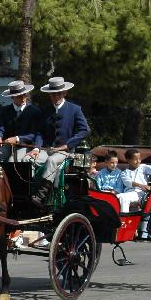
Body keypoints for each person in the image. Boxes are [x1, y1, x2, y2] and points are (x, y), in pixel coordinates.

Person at [30, 77, 91, 210]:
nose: (55, 96)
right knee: (30, 160)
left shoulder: (75, 109)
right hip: (46, 148)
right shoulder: (45, 110)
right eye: (52, 94)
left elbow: (85, 130)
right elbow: (40, 132)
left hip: (65, 151)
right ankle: (28, 191)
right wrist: (36, 148)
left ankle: (41, 195)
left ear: (64, 93)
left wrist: (67, 145)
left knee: (52, 161)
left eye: (58, 93)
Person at [0, 80, 42, 162]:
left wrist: (17, 138)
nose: (22, 98)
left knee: (13, 161)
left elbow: (34, 134)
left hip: (25, 146)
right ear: (12, 97)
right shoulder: (4, 110)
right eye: (19, 96)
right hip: (8, 145)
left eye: (24, 95)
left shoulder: (34, 111)